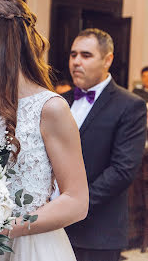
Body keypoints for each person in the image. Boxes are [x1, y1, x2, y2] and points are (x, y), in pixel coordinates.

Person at [0, 0, 89, 261]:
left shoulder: (49, 108)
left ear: (5, 39)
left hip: (30, 248)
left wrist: (2, 228)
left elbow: (76, 202)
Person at [63, 28, 147, 261]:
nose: (76, 62)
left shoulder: (130, 106)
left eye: (86, 55)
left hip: (98, 232)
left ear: (107, 59)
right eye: (73, 54)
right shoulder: (60, 100)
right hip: (54, 228)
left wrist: (74, 205)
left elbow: (122, 171)